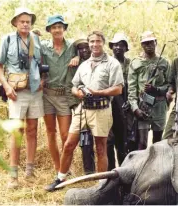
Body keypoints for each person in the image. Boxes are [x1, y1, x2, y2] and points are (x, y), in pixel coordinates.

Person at [44, 31, 124, 191]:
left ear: (103, 42)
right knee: (69, 144)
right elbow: (74, 85)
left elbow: (118, 89)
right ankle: (60, 178)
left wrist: (98, 92)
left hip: (101, 108)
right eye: (92, 41)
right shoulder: (84, 64)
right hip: (83, 108)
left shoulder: (112, 63)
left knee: (101, 147)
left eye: (98, 41)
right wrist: (78, 92)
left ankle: (102, 186)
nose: (95, 44)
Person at [0, 7, 44, 188]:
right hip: (16, 92)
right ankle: (13, 175)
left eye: (28, 21)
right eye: (22, 21)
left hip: (35, 91)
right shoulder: (7, 39)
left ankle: (29, 173)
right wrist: (6, 86)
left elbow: (42, 63)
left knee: (32, 130)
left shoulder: (36, 39)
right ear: (15, 22)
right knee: (17, 132)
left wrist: (43, 80)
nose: (25, 24)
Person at [40, 15, 79, 172]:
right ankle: (58, 168)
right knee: (51, 133)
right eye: (54, 27)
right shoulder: (43, 47)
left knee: (65, 135)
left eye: (60, 27)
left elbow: (87, 51)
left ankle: (65, 168)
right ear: (49, 30)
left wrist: (77, 57)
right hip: (47, 95)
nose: (57, 30)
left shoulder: (72, 47)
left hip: (64, 95)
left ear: (64, 28)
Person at [128, 31, 169, 150]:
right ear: (141, 45)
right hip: (143, 106)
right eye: (145, 43)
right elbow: (132, 89)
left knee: (158, 142)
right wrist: (135, 108)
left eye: (151, 42)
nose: (148, 45)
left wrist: (156, 89)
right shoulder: (136, 62)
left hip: (159, 106)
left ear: (156, 43)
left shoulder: (163, 62)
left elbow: (170, 86)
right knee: (142, 143)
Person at [65, 37, 95, 175]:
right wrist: (75, 105)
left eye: (86, 47)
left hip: (99, 105)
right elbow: (70, 85)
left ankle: (105, 170)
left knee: (105, 139)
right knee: (86, 138)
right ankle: (89, 171)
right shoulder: (74, 64)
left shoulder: (98, 60)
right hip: (81, 105)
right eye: (80, 49)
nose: (84, 50)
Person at [107, 32, 131, 170]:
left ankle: (123, 171)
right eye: (115, 45)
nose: (118, 48)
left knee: (123, 141)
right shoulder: (106, 62)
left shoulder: (130, 64)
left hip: (126, 105)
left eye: (121, 45)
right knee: (108, 140)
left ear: (125, 48)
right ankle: (110, 172)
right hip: (110, 103)